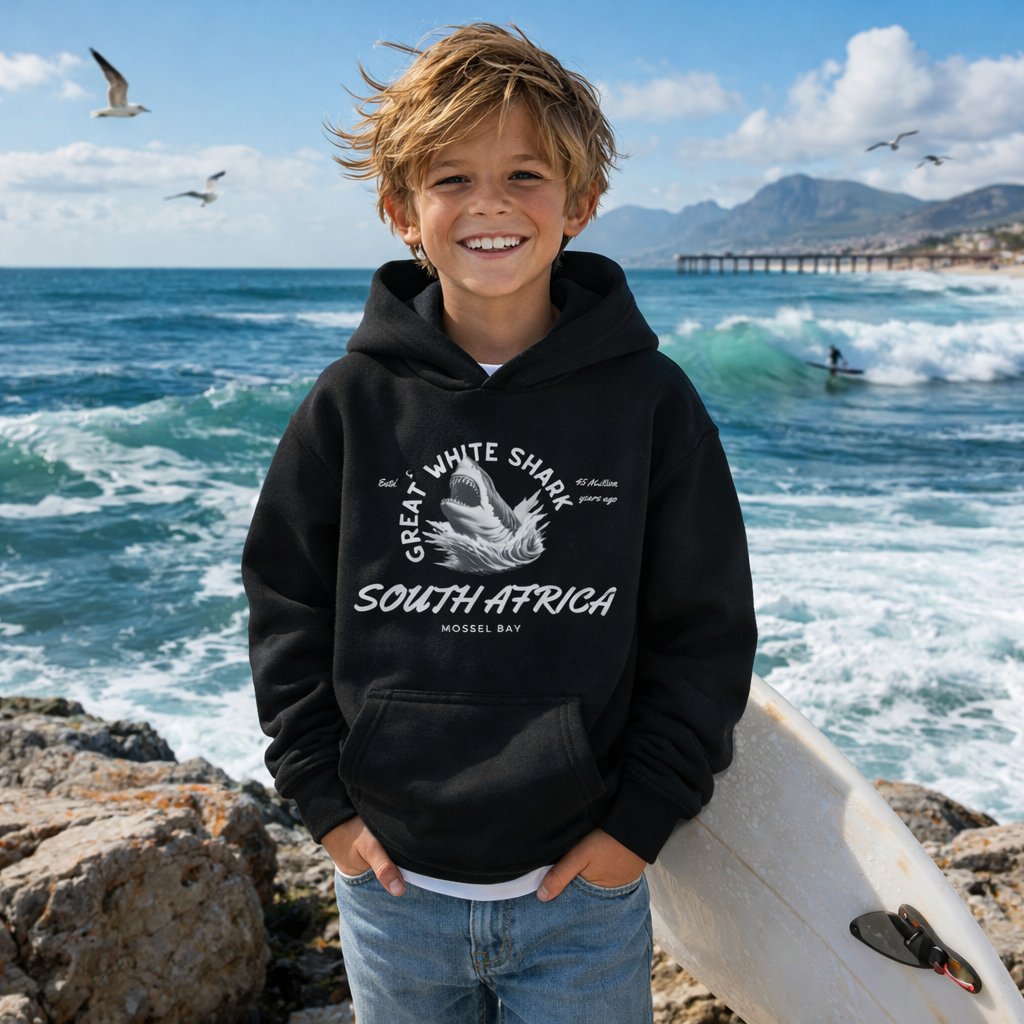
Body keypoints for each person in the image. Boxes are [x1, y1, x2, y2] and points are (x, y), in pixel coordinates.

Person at [242, 23, 757, 1024]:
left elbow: (703, 629)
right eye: (450, 178)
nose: (488, 203)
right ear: (400, 211)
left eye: (525, 173)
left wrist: (636, 830)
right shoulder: (349, 403)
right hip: (390, 891)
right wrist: (327, 809)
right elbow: (285, 605)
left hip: (580, 895)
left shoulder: (649, 403)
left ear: (582, 203)